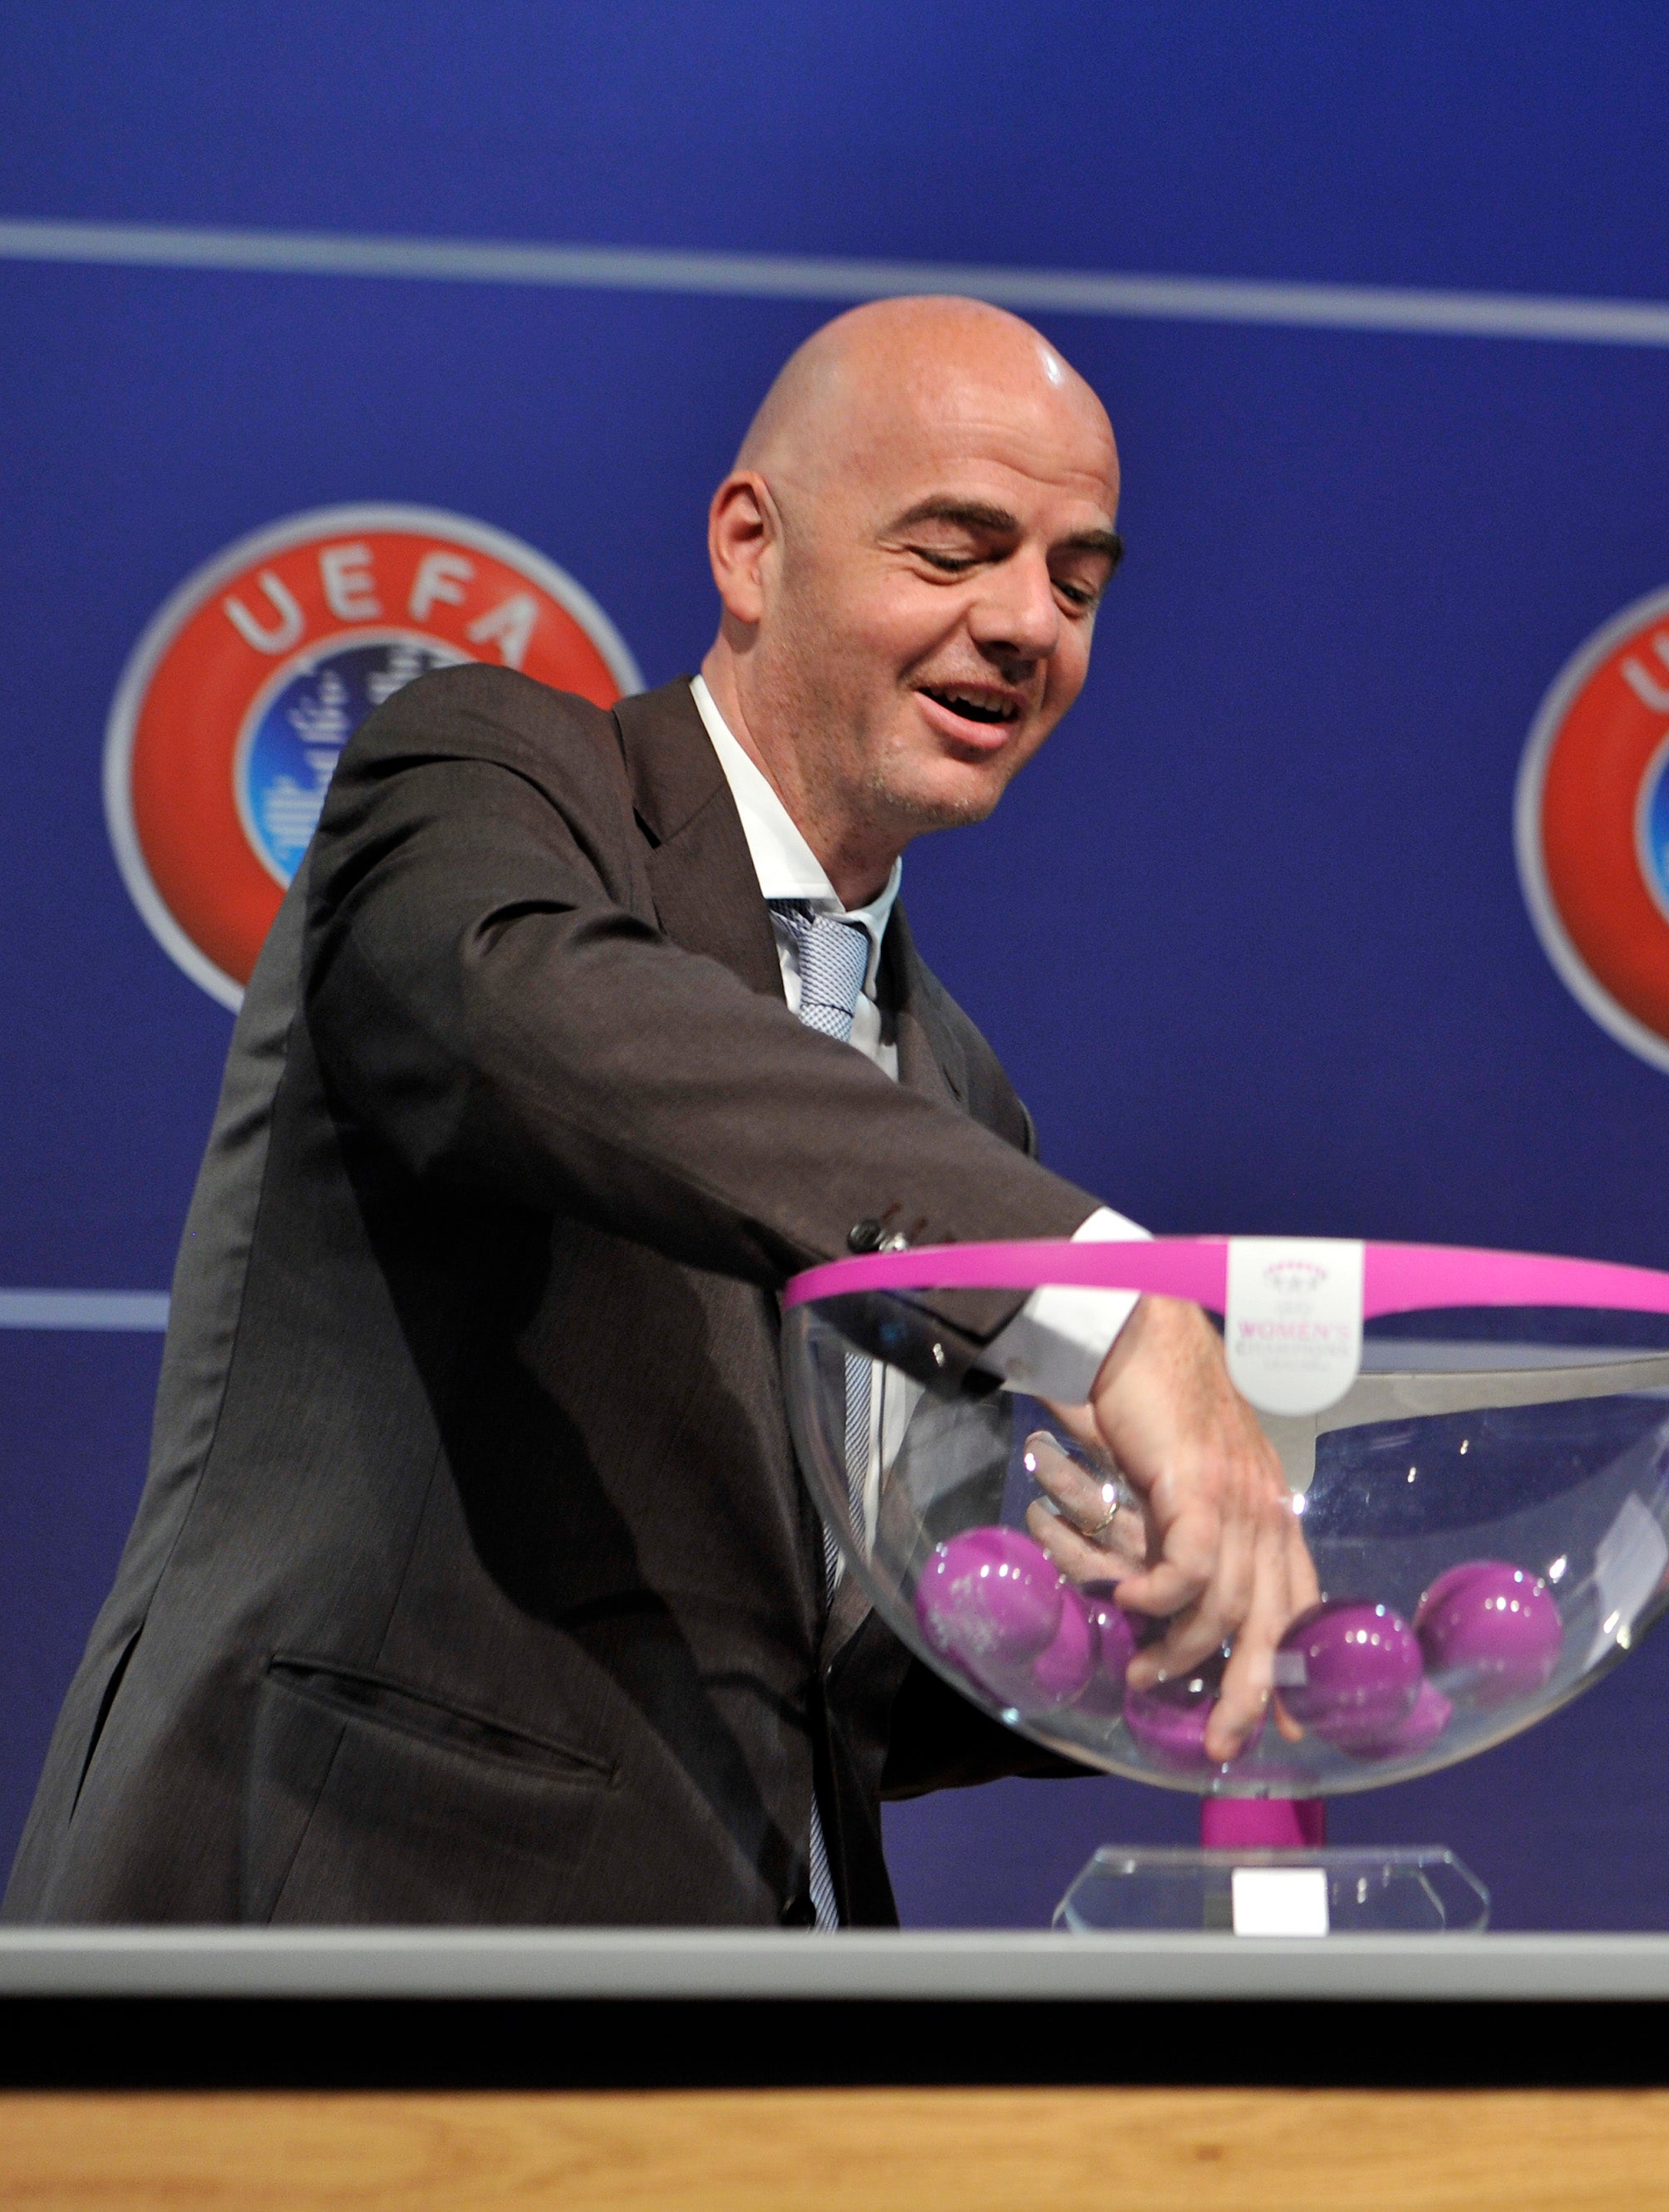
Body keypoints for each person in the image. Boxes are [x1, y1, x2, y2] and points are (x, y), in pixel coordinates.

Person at [6, 297, 1313, 1926]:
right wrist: (1119, 1314)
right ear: (752, 547)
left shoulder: (952, 1083)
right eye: (957, 546)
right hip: (343, 1948)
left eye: (1076, 579)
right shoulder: (487, 780)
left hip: (735, 2047)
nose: (1023, 622)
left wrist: (1125, 1639)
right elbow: (527, 1012)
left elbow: (825, 1665)